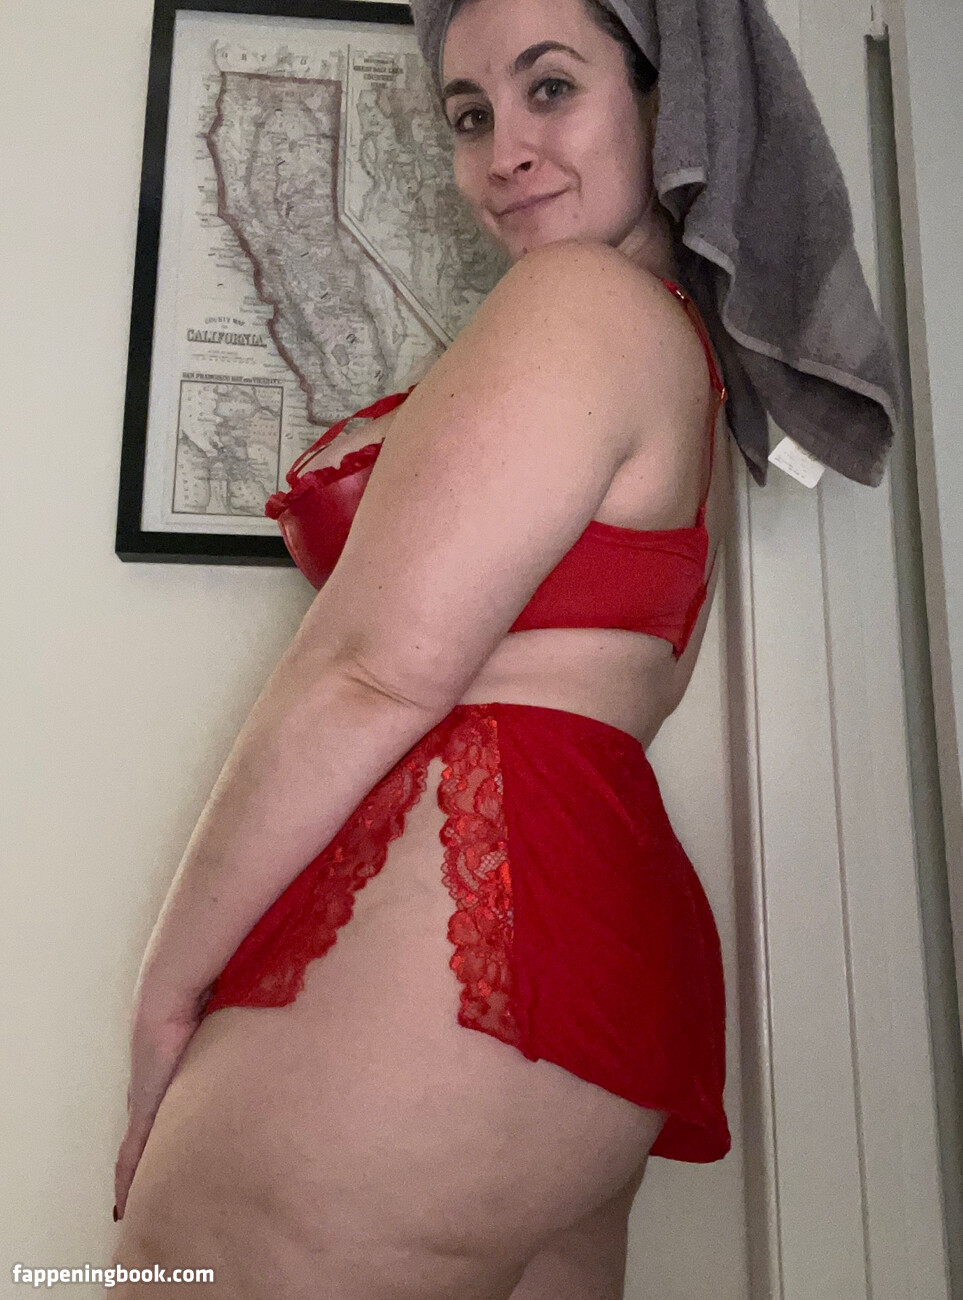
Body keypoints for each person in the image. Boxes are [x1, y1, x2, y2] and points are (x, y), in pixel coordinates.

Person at [111, 0, 733, 1294]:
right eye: (468, 114)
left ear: (660, 99)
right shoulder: (676, 346)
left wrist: (167, 991)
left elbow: (373, 670)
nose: (504, 151)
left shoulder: (575, 301)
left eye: (550, 88)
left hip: (468, 925)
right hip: (602, 934)